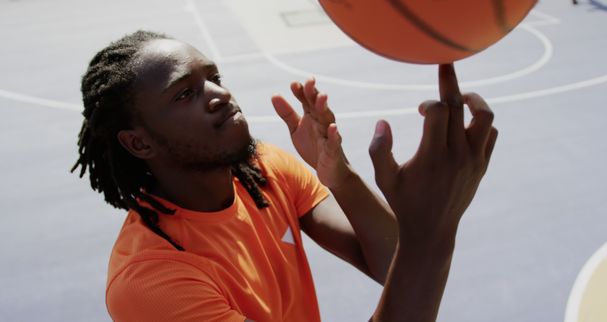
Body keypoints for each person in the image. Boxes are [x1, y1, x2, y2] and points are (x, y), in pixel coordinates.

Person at [72, 30, 497, 322]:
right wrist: (430, 228)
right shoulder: (151, 282)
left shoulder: (263, 170)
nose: (220, 95)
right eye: (185, 93)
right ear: (139, 143)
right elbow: (415, 263)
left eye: (214, 78)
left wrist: (341, 176)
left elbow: (392, 263)